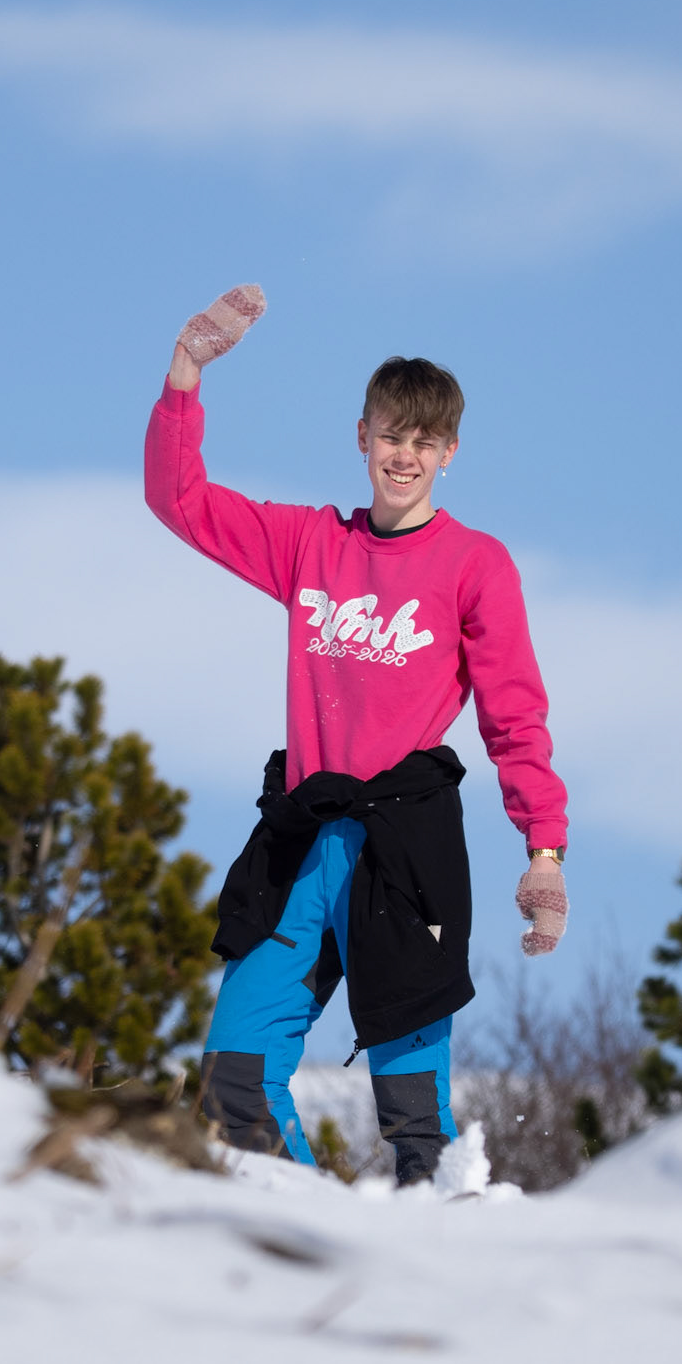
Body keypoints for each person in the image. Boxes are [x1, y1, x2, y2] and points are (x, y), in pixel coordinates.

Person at [145, 285, 568, 1183]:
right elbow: (180, 501)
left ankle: (437, 1239)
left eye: (423, 441)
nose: (403, 455)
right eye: (390, 435)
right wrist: (185, 376)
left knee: (415, 1122)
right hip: (304, 838)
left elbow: (514, 716)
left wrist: (544, 851)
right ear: (362, 437)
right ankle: (312, 1224)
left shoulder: (474, 564)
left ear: (449, 453)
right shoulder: (311, 545)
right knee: (233, 1084)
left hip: (405, 850)